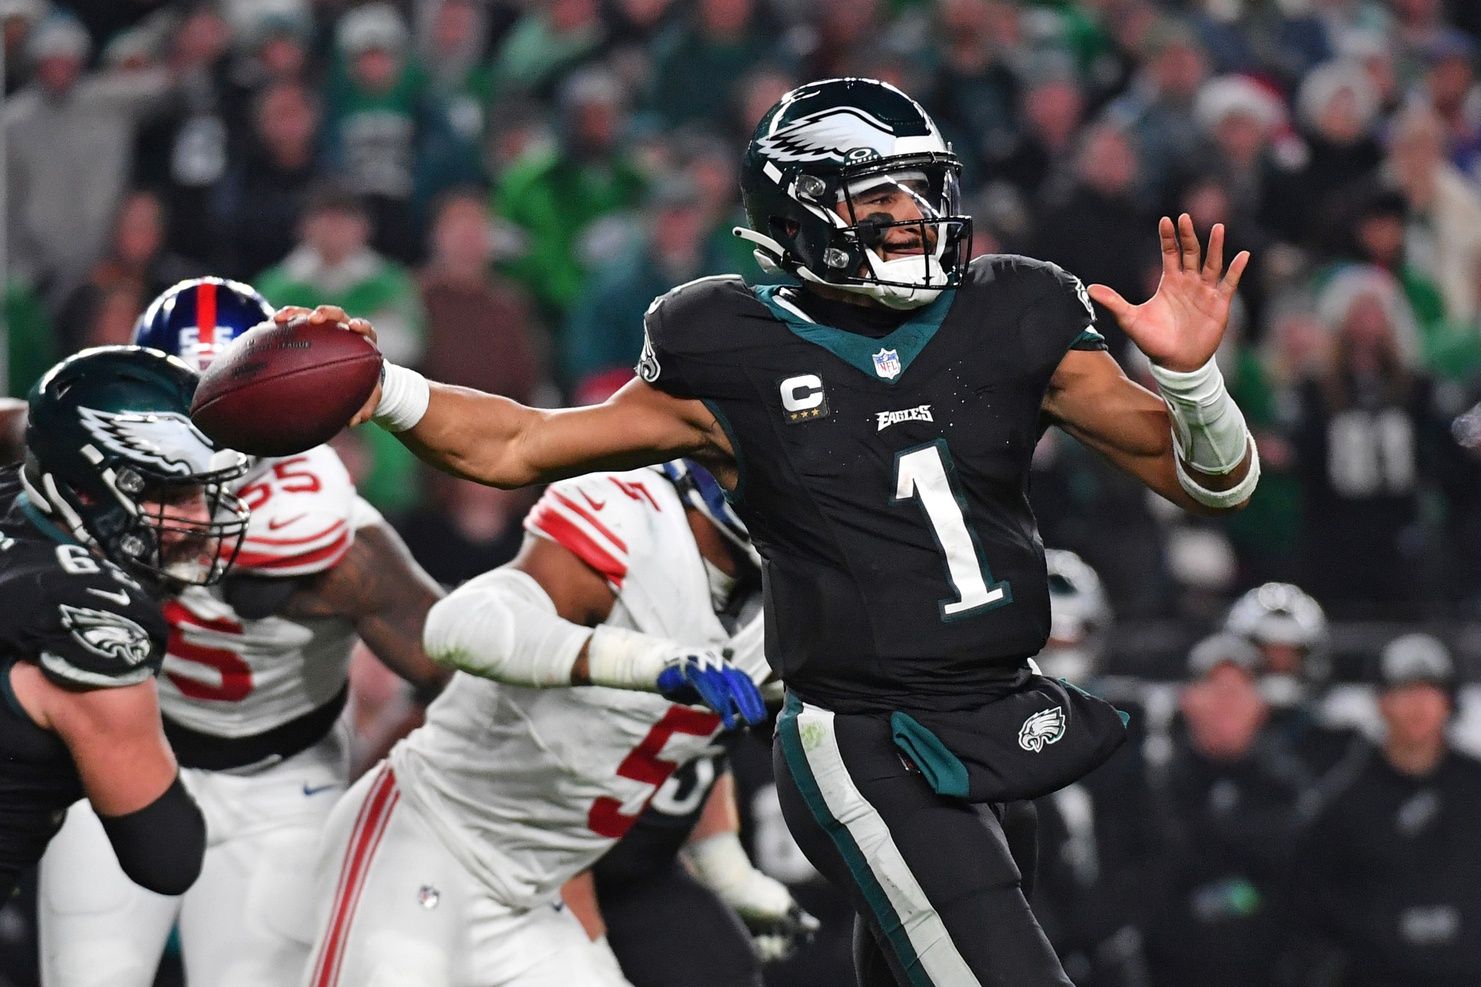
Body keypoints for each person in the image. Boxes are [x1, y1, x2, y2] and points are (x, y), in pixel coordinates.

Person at [286, 76, 1258, 985]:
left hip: (996, 714)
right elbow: (519, 444)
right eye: (879, 204)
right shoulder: (730, 352)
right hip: (866, 733)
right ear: (801, 217)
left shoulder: (1013, 310)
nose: (913, 223)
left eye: (921, 197)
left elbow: (1213, 484)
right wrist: (387, 387)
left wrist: (1190, 381)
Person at [36, 278, 449, 987]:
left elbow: (453, 667)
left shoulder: (341, 548)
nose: (196, 432)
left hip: (279, 783)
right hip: (126, 749)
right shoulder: (90, 466)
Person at [301, 460, 773, 985]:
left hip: (535, 893)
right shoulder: (637, 523)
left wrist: (730, 870)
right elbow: (458, 627)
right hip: (431, 842)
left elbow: (704, 751)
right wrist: (643, 662)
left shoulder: (790, 605)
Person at [0, 345, 250, 902]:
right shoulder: (95, 618)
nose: (202, 521)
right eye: (174, 494)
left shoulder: (24, 495)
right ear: (90, 490)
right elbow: (168, 858)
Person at [1296, 633, 1481, 986]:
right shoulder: (1342, 803)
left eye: (1429, 691)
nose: (1417, 706)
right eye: (1404, 691)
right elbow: (1312, 907)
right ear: (1381, 701)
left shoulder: (1475, 787)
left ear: (1449, 702)